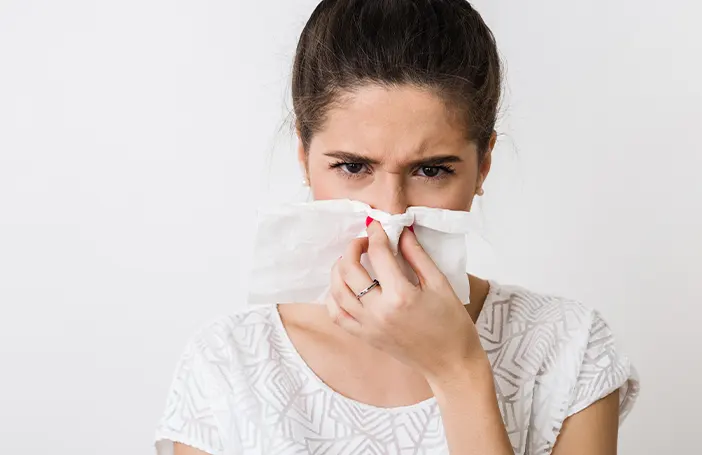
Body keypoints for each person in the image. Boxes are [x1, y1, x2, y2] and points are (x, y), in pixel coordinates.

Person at [155, 1, 639, 454]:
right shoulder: (228, 363)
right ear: (304, 157)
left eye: (430, 171)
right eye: (351, 166)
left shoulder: (569, 350)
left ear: (483, 165)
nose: (389, 215)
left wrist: (457, 371)